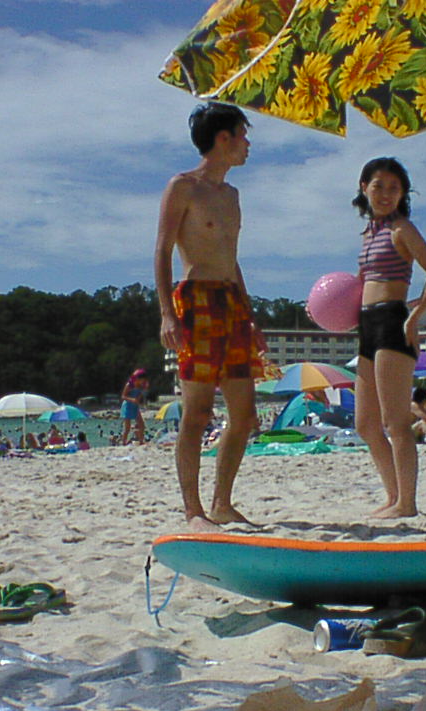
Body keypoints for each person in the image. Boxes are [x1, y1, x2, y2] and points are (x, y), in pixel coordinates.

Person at [155, 102, 267, 531]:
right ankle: (194, 510)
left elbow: (231, 258)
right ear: (224, 138)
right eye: (242, 135)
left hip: (231, 300)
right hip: (196, 297)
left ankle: (222, 503)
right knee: (197, 412)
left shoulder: (232, 196)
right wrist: (167, 314)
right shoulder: (183, 186)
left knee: (245, 414)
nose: (247, 144)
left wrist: (251, 317)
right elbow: (163, 250)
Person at [351, 157, 426, 518]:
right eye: (379, 186)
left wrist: (415, 317)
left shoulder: (401, 229)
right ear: (364, 188)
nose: (385, 193)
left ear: (403, 193)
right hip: (366, 325)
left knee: (395, 422)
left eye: (394, 187)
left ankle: (407, 502)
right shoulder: (368, 234)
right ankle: (393, 497)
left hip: (393, 320)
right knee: (365, 424)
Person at [119, 368, 149, 445]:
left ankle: (141, 441)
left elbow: (139, 397)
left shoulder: (141, 386)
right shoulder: (129, 385)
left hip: (135, 406)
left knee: (141, 425)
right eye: (141, 379)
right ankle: (123, 442)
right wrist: (132, 399)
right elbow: (123, 396)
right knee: (127, 428)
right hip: (127, 406)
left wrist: (144, 390)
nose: (143, 381)